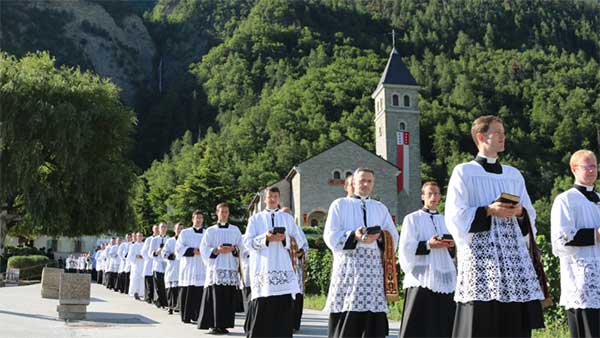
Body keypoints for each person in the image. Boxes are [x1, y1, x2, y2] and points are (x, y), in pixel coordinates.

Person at [445, 115, 544, 337]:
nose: (503, 137)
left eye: (503, 133)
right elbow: (455, 215)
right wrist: (489, 210)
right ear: (481, 137)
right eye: (497, 133)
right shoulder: (464, 172)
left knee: (514, 325)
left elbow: (530, 214)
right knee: (481, 324)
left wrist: (519, 212)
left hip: (513, 260)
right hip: (482, 261)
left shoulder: (513, 174)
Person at [323, 168, 399, 338]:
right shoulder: (339, 205)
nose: (365, 184)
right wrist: (354, 236)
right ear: (353, 182)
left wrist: (379, 237)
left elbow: (393, 236)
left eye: (369, 181)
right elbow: (330, 235)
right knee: (348, 311)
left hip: (373, 270)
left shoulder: (380, 207)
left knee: (372, 314)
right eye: (362, 180)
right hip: (349, 267)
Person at [244, 187, 305, 338]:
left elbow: (299, 241)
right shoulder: (255, 219)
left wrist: (284, 239)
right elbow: (247, 242)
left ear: (279, 199)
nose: (272, 199)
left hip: (283, 268)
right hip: (263, 269)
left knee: (283, 307)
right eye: (269, 196)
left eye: (275, 196)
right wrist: (265, 238)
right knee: (262, 305)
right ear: (264, 199)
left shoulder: (288, 219)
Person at [551, 149, 600, 337]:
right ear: (574, 168)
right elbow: (561, 239)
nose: (591, 170)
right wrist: (595, 234)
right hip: (582, 281)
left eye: (594, 166)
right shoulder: (565, 200)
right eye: (586, 166)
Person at [397, 181, 456, 338]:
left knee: (443, 322)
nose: (434, 197)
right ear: (422, 196)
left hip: (445, 277)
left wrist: (451, 245)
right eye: (430, 193)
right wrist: (428, 244)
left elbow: (454, 251)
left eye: (436, 193)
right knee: (418, 324)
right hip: (421, 277)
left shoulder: (448, 220)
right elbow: (405, 247)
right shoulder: (412, 219)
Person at [197, 203, 243, 334]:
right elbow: (203, 248)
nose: (224, 214)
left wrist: (233, 249)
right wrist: (216, 250)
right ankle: (214, 325)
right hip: (216, 268)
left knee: (228, 298)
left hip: (230, 268)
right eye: (221, 212)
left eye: (226, 212)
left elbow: (242, 247)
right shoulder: (210, 231)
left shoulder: (235, 230)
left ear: (229, 213)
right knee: (215, 297)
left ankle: (224, 325)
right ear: (217, 213)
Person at [281, 206, 308, 333]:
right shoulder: (278, 230)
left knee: (296, 296)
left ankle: (294, 324)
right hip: (282, 268)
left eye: (288, 215)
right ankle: (283, 323)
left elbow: (305, 247)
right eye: (283, 214)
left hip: (296, 268)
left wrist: (300, 253)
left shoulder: (297, 230)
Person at [176, 210, 207, 323]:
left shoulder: (207, 233)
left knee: (199, 292)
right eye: (196, 218)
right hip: (188, 266)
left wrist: (203, 251)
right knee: (187, 291)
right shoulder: (185, 233)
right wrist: (192, 250)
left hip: (201, 266)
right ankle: (186, 316)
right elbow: (178, 249)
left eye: (201, 218)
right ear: (192, 219)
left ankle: (198, 315)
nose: (199, 220)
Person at [163, 223, 183, 315]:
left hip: (182, 267)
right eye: (178, 229)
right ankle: (170, 306)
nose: (179, 230)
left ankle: (179, 306)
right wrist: (171, 255)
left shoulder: (185, 241)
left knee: (180, 289)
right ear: (175, 230)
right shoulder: (170, 241)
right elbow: (164, 253)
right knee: (171, 289)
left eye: (181, 229)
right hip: (172, 266)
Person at [150, 222, 169, 308]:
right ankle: (159, 302)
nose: (163, 229)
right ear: (159, 229)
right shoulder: (154, 240)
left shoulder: (169, 239)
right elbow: (150, 253)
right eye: (162, 227)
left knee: (165, 284)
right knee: (158, 284)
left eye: (165, 227)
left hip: (166, 265)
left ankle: (166, 302)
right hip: (157, 264)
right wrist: (157, 251)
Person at [142, 225, 158, 304]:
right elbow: (144, 251)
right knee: (149, 281)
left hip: (158, 263)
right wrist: (150, 256)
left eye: (158, 229)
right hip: (150, 262)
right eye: (156, 229)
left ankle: (156, 298)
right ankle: (148, 297)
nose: (157, 230)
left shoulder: (161, 239)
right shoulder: (148, 239)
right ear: (153, 230)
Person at [128, 232, 146, 300]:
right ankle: (135, 292)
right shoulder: (133, 246)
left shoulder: (145, 245)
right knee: (135, 279)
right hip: (136, 264)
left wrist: (143, 256)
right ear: (136, 237)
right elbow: (129, 256)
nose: (140, 237)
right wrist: (136, 256)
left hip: (143, 264)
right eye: (138, 236)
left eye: (141, 236)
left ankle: (142, 293)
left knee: (142, 278)